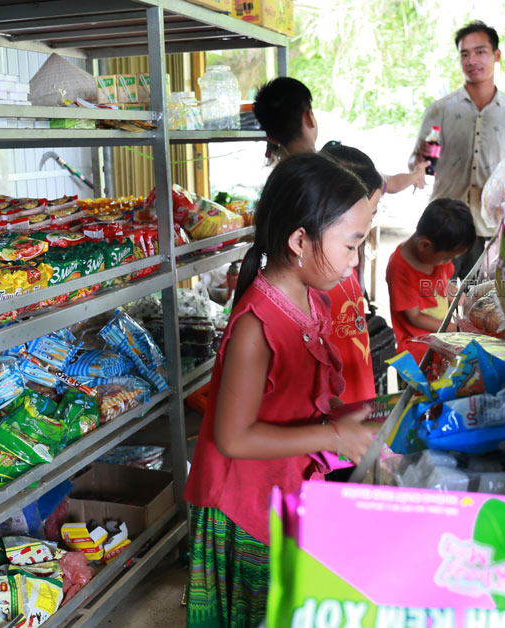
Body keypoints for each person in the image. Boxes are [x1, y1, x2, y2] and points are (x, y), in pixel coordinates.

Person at [184, 153, 379, 628]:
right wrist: (332, 437)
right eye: (351, 246)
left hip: (279, 487)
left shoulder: (312, 298)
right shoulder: (256, 326)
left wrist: (355, 415)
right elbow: (234, 439)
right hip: (244, 504)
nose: (355, 260)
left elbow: (296, 400)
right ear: (299, 240)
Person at [411, 20, 505, 280]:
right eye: (464, 54)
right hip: (443, 224)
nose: (471, 60)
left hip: (491, 228)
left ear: (496, 55)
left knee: (482, 303)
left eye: (480, 52)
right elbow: (415, 164)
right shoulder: (440, 109)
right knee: (438, 301)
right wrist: (418, 160)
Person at [254, 77, 429, 193]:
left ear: (271, 137)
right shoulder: (337, 167)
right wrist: (416, 174)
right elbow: (391, 184)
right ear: (309, 117)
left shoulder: (275, 183)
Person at [317, 142, 384, 404]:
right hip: (336, 410)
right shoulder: (316, 280)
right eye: (372, 212)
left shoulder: (345, 262)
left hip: (358, 396)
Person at [386, 198, 476, 364]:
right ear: (424, 245)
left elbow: (442, 285)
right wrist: (457, 329)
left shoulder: (434, 256)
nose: (446, 263)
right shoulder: (400, 268)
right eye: (445, 259)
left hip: (441, 338)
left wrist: (468, 302)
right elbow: (415, 317)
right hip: (418, 350)